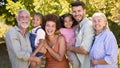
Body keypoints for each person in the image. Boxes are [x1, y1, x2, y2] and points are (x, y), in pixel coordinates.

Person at [67, 1, 95, 68]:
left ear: (84, 11)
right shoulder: (78, 27)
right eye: (74, 11)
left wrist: (69, 48)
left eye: (79, 11)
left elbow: (84, 50)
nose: (76, 14)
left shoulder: (88, 26)